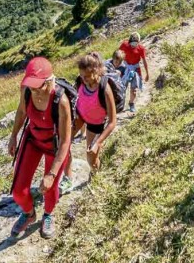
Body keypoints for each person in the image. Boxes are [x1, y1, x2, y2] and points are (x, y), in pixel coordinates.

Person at [8, 57, 72, 239]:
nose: (35, 90)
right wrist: (13, 135)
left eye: (39, 86)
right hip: (33, 140)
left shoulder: (61, 101)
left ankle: (48, 215)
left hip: (54, 145)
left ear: (50, 81)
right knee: (18, 191)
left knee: (49, 188)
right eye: (32, 86)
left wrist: (51, 174)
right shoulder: (27, 90)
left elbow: (65, 141)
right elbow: (22, 111)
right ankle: (29, 214)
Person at [74, 52, 117, 172]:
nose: (83, 79)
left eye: (87, 76)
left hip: (95, 125)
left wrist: (98, 143)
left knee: (91, 157)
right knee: (62, 144)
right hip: (80, 118)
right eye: (81, 75)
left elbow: (112, 122)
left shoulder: (104, 89)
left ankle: (96, 175)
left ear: (96, 71)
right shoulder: (81, 81)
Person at [118, 32, 149, 113]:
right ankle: (120, 104)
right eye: (132, 44)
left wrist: (147, 73)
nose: (133, 45)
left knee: (134, 89)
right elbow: (118, 55)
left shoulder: (141, 48)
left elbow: (144, 61)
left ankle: (131, 103)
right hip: (125, 67)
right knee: (122, 87)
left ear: (138, 42)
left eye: (135, 44)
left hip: (135, 69)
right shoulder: (124, 45)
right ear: (129, 42)